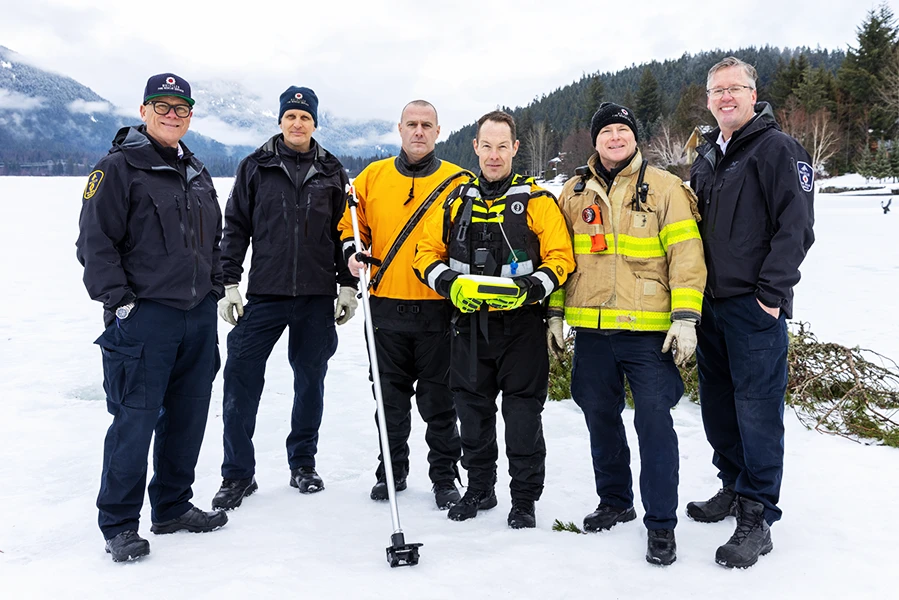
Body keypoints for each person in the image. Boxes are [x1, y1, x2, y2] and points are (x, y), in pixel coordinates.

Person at [76, 73, 227, 562]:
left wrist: (214, 290)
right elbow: (94, 244)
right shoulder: (118, 167)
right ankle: (120, 524)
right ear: (143, 111)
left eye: (181, 108)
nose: (172, 115)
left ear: (190, 116)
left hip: (196, 316)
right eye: (162, 106)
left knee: (188, 416)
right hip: (144, 319)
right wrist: (120, 302)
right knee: (134, 421)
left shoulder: (197, 170)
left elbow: (215, 241)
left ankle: (172, 506)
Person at [548, 102, 706, 565]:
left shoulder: (666, 187)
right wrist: (554, 314)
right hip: (592, 330)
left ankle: (661, 524)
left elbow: (686, 255)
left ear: (635, 137)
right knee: (599, 416)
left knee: (654, 423)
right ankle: (615, 501)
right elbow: (559, 257)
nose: (614, 138)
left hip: (648, 333)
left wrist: (685, 318)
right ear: (595, 140)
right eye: (606, 132)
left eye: (622, 130)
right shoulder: (574, 191)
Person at [413, 110, 575, 529]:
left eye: (503, 146)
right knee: (472, 416)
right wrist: (449, 284)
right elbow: (423, 254)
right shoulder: (454, 200)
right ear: (475, 148)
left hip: (521, 328)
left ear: (515, 148)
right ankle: (480, 489)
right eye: (487, 146)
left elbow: (562, 258)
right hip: (468, 327)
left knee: (522, 419)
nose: (494, 155)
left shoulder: (537, 201)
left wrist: (530, 288)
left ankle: (524, 500)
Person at [689, 56, 815, 569]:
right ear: (709, 99)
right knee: (719, 408)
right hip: (710, 307)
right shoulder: (705, 157)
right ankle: (732, 486)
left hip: (754, 307)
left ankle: (757, 515)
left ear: (753, 94)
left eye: (735, 88)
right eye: (717, 90)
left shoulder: (777, 149)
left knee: (758, 411)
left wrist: (770, 295)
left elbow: (796, 228)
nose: (725, 97)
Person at [212, 86, 356, 510]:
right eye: (291, 116)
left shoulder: (332, 170)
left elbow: (345, 234)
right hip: (265, 293)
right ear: (280, 121)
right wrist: (229, 282)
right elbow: (235, 227)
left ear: (315, 123)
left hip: (316, 295)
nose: (297, 123)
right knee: (240, 377)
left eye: (305, 117)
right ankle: (238, 474)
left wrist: (347, 285)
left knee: (310, 382)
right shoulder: (255, 166)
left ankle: (303, 464)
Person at [338, 100, 466, 509]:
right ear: (399, 128)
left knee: (440, 402)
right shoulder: (371, 178)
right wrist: (352, 252)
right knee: (389, 402)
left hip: (438, 309)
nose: (418, 131)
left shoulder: (459, 181)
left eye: (427, 125)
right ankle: (391, 473)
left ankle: (444, 476)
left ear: (438, 131)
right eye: (412, 124)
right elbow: (350, 227)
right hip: (385, 309)